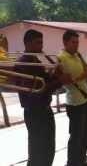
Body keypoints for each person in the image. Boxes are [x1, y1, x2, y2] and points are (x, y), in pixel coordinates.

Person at [14, 29, 68, 166]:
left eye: (41, 42)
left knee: (49, 148)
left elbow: (46, 81)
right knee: (38, 151)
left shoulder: (36, 60)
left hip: (45, 110)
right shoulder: (23, 64)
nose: (41, 46)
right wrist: (60, 80)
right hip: (34, 112)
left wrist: (56, 74)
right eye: (38, 43)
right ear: (27, 43)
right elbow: (36, 91)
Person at [58, 30, 87, 166]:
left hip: (85, 98)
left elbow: (85, 74)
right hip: (74, 102)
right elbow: (63, 81)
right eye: (73, 42)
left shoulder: (77, 55)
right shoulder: (61, 58)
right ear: (65, 42)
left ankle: (82, 160)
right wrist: (82, 76)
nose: (76, 45)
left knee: (85, 134)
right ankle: (72, 163)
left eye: (77, 42)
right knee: (76, 136)